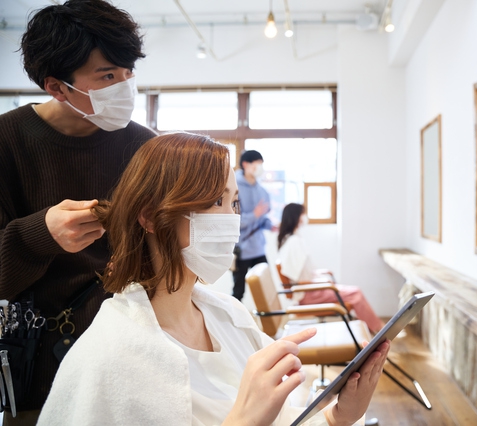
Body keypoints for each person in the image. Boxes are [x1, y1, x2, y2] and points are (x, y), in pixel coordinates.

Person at [37, 133, 390, 426]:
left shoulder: (229, 318)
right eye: (214, 201)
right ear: (150, 216)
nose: (230, 218)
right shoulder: (108, 357)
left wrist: (337, 417)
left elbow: (287, 419)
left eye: (233, 203)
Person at [0, 0, 155, 422]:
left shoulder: (145, 147)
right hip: (41, 364)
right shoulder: (7, 142)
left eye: (128, 73)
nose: (124, 86)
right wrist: (39, 235)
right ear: (56, 87)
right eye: (107, 76)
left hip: (133, 354)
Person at [278, 203, 385, 333]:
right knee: (355, 293)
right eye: (303, 214)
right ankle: (379, 329)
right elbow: (296, 281)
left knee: (352, 292)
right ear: (296, 217)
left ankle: (373, 328)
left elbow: (302, 273)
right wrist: (321, 282)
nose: (305, 217)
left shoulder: (292, 240)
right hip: (310, 294)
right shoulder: (293, 243)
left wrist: (319, 275)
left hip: (311, 290)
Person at [232, 150, 274, 301]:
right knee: (238, 291)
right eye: (257, 164)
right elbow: (234, 221)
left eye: (261, 164)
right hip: (242, 249)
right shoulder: (234, 187)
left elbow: (263, 219)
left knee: (267, 288)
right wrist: (254, 215)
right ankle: (234, 323)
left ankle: (269, 321)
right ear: (245, 164)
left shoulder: (261, 190)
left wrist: (271, 226)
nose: (260, 168)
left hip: (258, 248)